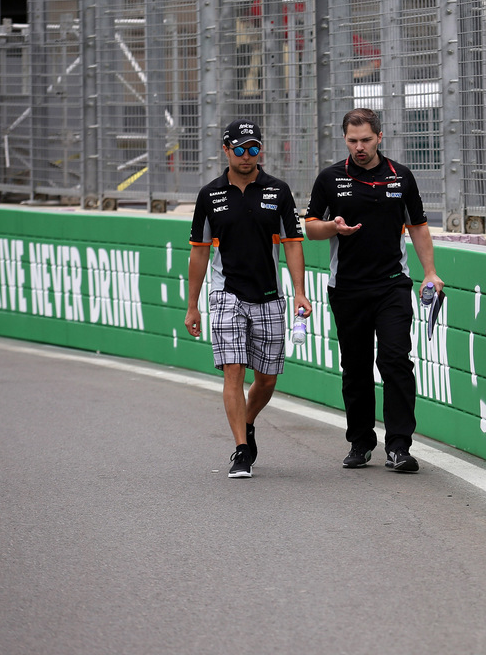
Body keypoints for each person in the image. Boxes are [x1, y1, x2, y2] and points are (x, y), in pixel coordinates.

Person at [304, 107, 443, 473]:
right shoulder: (330, 178)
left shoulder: (401, 177)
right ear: (345, 139)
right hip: (347, 287)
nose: (360, 147)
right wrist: (333, 227)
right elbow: (310, 228)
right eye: (352, 141)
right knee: (356, 366)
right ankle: (360, 441)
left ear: (379, 137)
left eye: (366, 140)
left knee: (395, 359)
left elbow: (418, 227)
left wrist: (430, 272)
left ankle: (399, 446)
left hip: (392, 285)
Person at [185, 119, 311, 478]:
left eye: (253, 148)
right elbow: (199, 253)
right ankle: (241, 449)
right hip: (226, 295)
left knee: (267, 379)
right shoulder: (210, 195)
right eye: (239, 149)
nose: (247, 155)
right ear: (226, 150)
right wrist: (193, 306)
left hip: (269, 296)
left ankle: (248, 421)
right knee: (233, 373)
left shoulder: (279, 191)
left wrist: (299, 291)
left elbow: (292, 245)